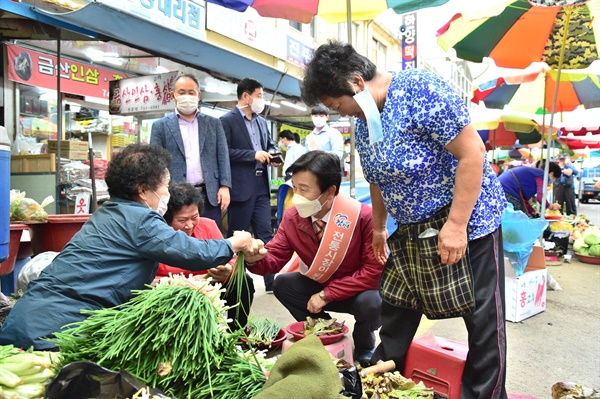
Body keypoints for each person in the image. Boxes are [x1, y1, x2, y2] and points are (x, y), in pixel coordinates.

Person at [301, 41, 508, 398]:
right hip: (411, 228)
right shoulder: (367, 121)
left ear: (356, 83)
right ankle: (378, 380)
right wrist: (379, 228)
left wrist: (457, 225)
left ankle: (485, 394)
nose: (343, 114)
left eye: (338, 105)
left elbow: (472, 153)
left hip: (466, 222)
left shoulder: (419, 89)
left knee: (481, 319)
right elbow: (378, 179)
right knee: (397, 304)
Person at [0, 144, 263, 350]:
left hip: (27, 319)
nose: (166, 194)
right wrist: (234, 242)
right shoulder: (139, 218)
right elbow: (192, 253)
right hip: (58, 331)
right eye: (163, 186)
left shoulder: (106, 213)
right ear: (142, 190)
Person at [244, 151, 383, 365]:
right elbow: (275, 258)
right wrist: (253, 258)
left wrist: (328, 294)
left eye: (304, 189)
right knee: (283, 284)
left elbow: (373, 272)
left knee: (372, 302)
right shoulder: (292, 217)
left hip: (355, 290)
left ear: (330, 192)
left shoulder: (362, 217)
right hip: (318, 285)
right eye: (295, 187)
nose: (296, 195)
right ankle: (326, 331)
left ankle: (364, 344)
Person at [155, 182, 254, 329]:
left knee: (243, 280)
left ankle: (237, 334)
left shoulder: (208, 225)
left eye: (194, 217)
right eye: (182, 220)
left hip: (211, 287)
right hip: (171, 294)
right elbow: (147, 279)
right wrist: (186, 282)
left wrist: (228, 269)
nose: (189, 225)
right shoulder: (157, 235)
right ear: (167, 219)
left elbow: (231, 258)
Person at [151, 73, 231, 233]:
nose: (187, 96)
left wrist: (225, 186)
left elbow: (223, 155)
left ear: (198, 95)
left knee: (211, 238)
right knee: (178, 240)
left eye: (191, 92)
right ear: (173, 96)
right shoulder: (160, 126)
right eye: (181, 92)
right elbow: (155, 162)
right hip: (175, 197)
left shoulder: (213, 123)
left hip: (209, 194)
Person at [220, 78, 279, 292]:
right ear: (246, 96)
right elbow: (224, 152)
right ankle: (236, 281)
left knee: (266, 234)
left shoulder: (262, 122)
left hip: (262, 186)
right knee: (238, 236)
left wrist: (272, 154)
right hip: (240, 188)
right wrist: (252, 155)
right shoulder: (226, 121)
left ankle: (272, 281)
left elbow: (269, 145)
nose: (261, 100)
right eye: (259, 96)